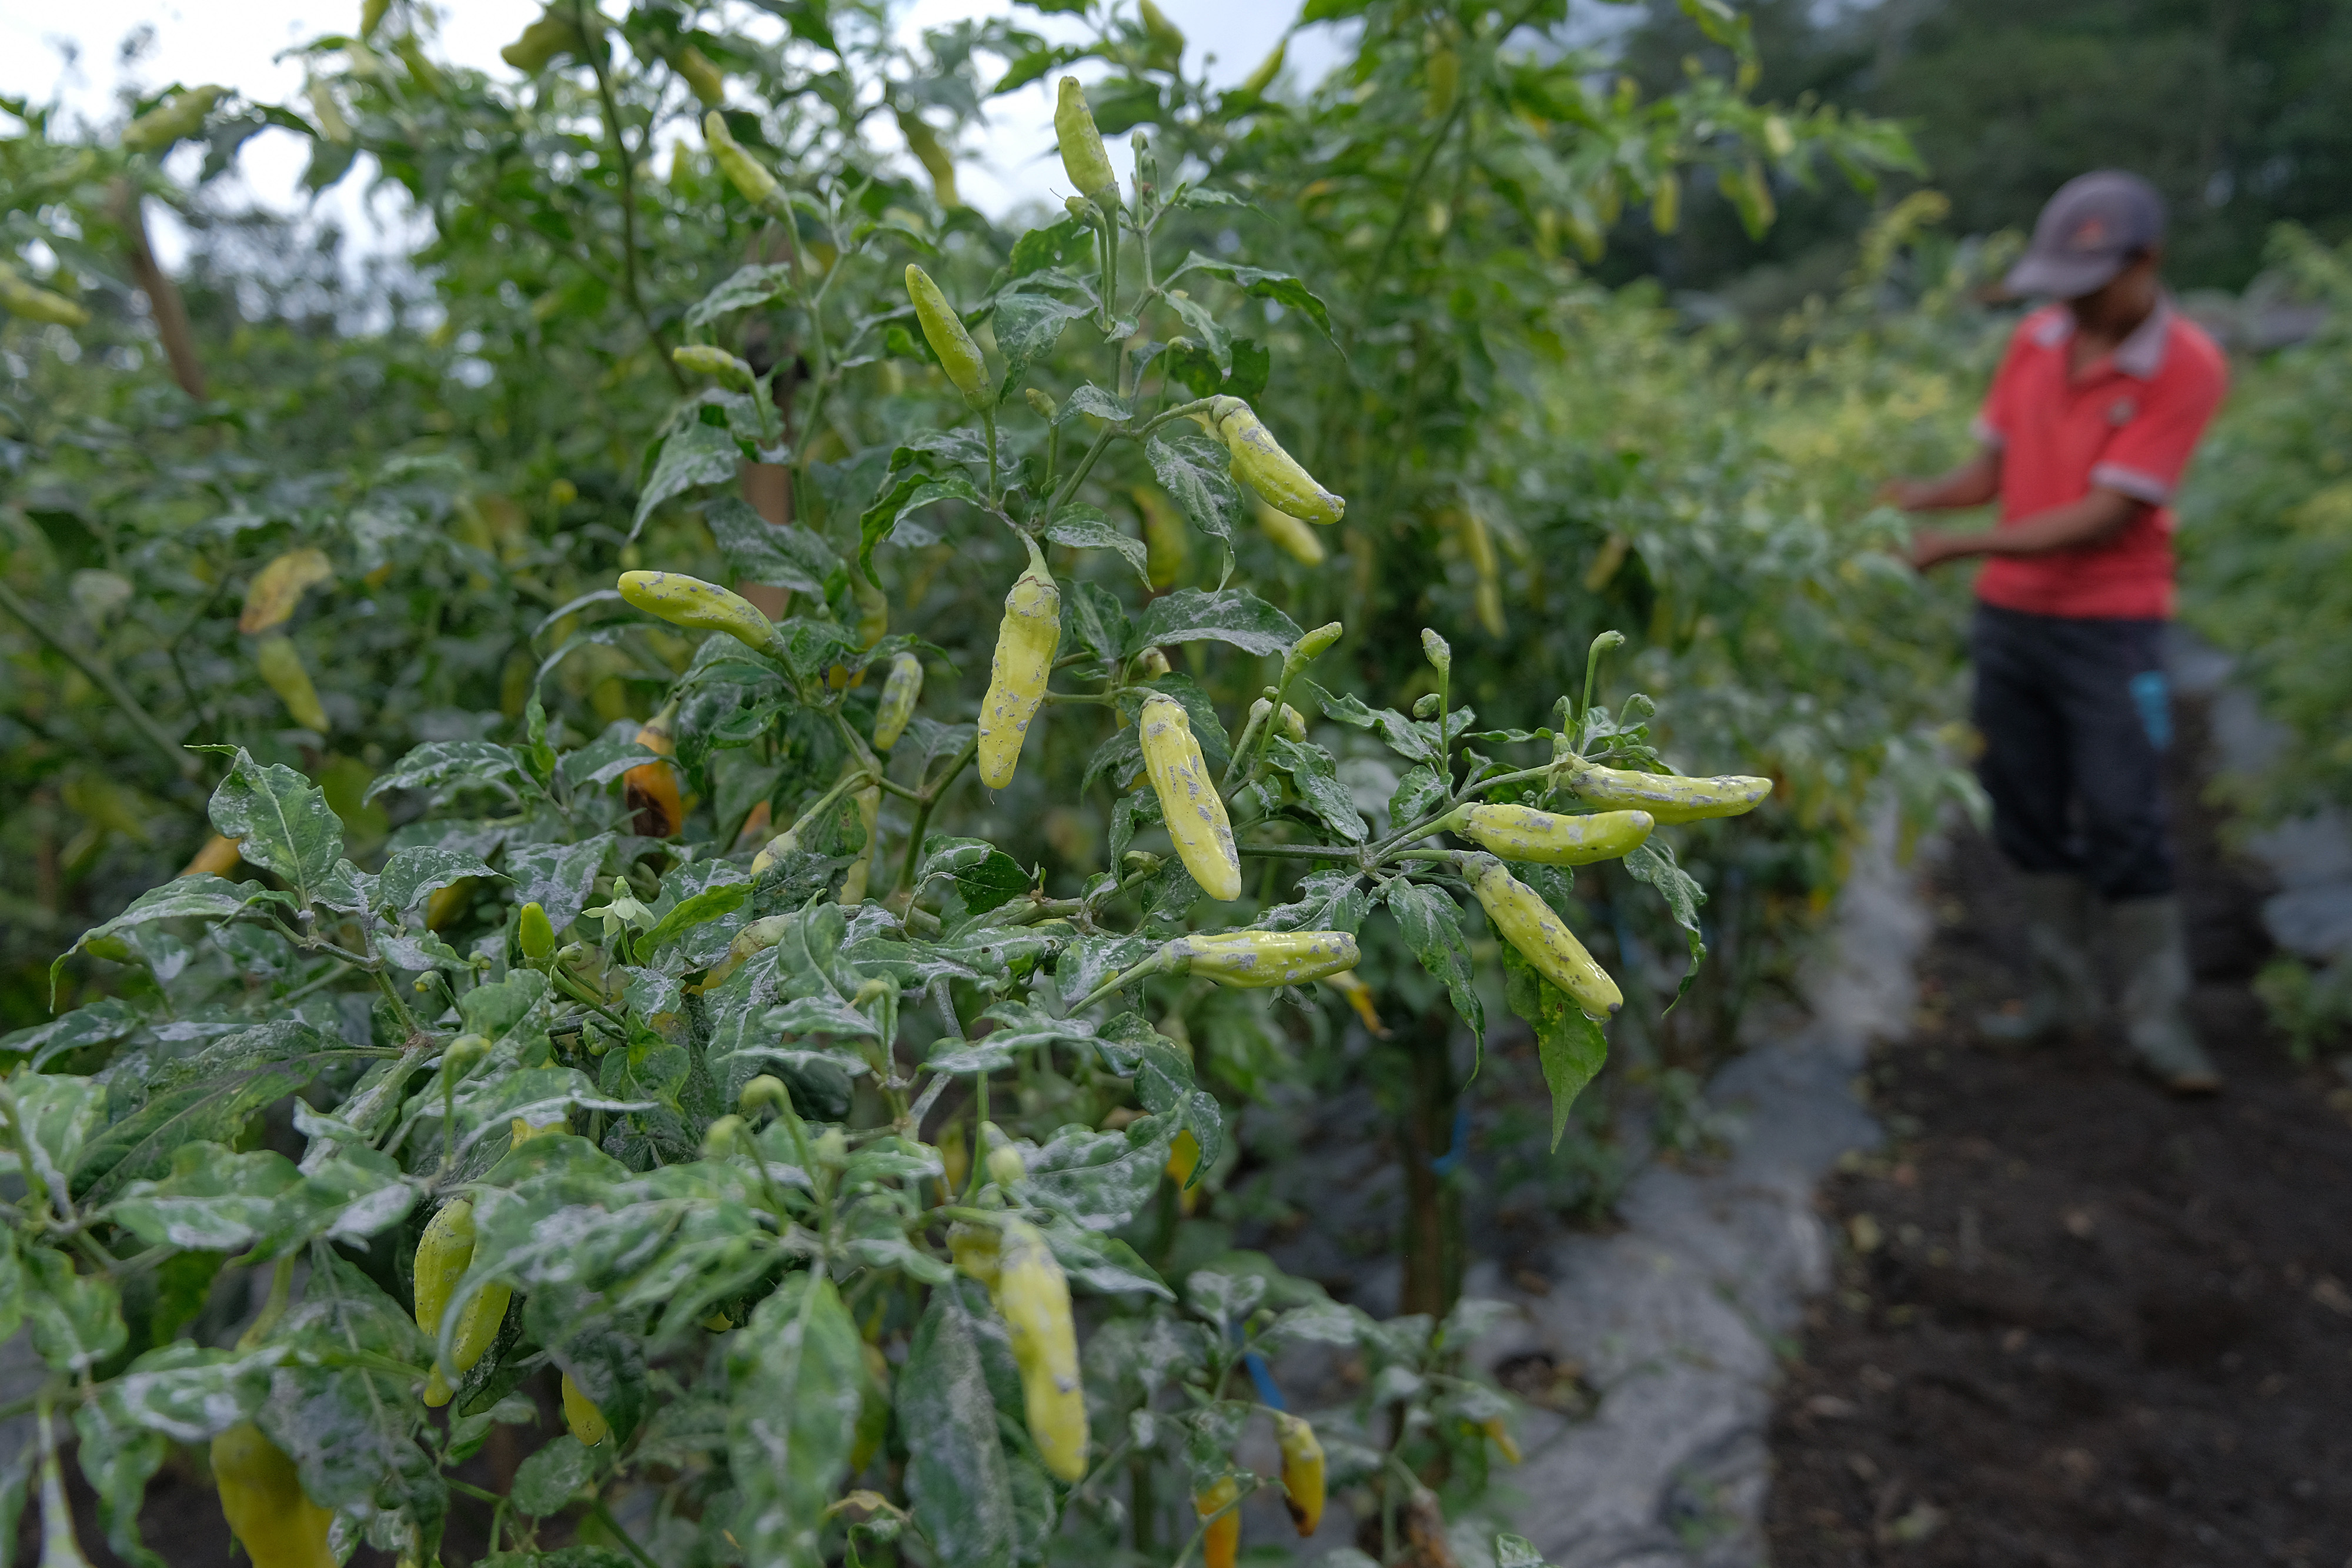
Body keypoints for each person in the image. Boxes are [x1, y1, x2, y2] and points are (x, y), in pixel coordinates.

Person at [1886, 170, 2229, 1093]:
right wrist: (1911, 499)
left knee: (2125, 813)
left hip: (2110, 626)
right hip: (2011, 620)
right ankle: (2062, 998)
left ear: (2146, 264)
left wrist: (1955, 546)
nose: (2073, 304)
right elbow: (1988, 470)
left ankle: (2159, 1021)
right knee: (2023, 799)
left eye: (2092, 285)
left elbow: (2104, 514)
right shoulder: (2037, 341)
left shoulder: (2186, 363)